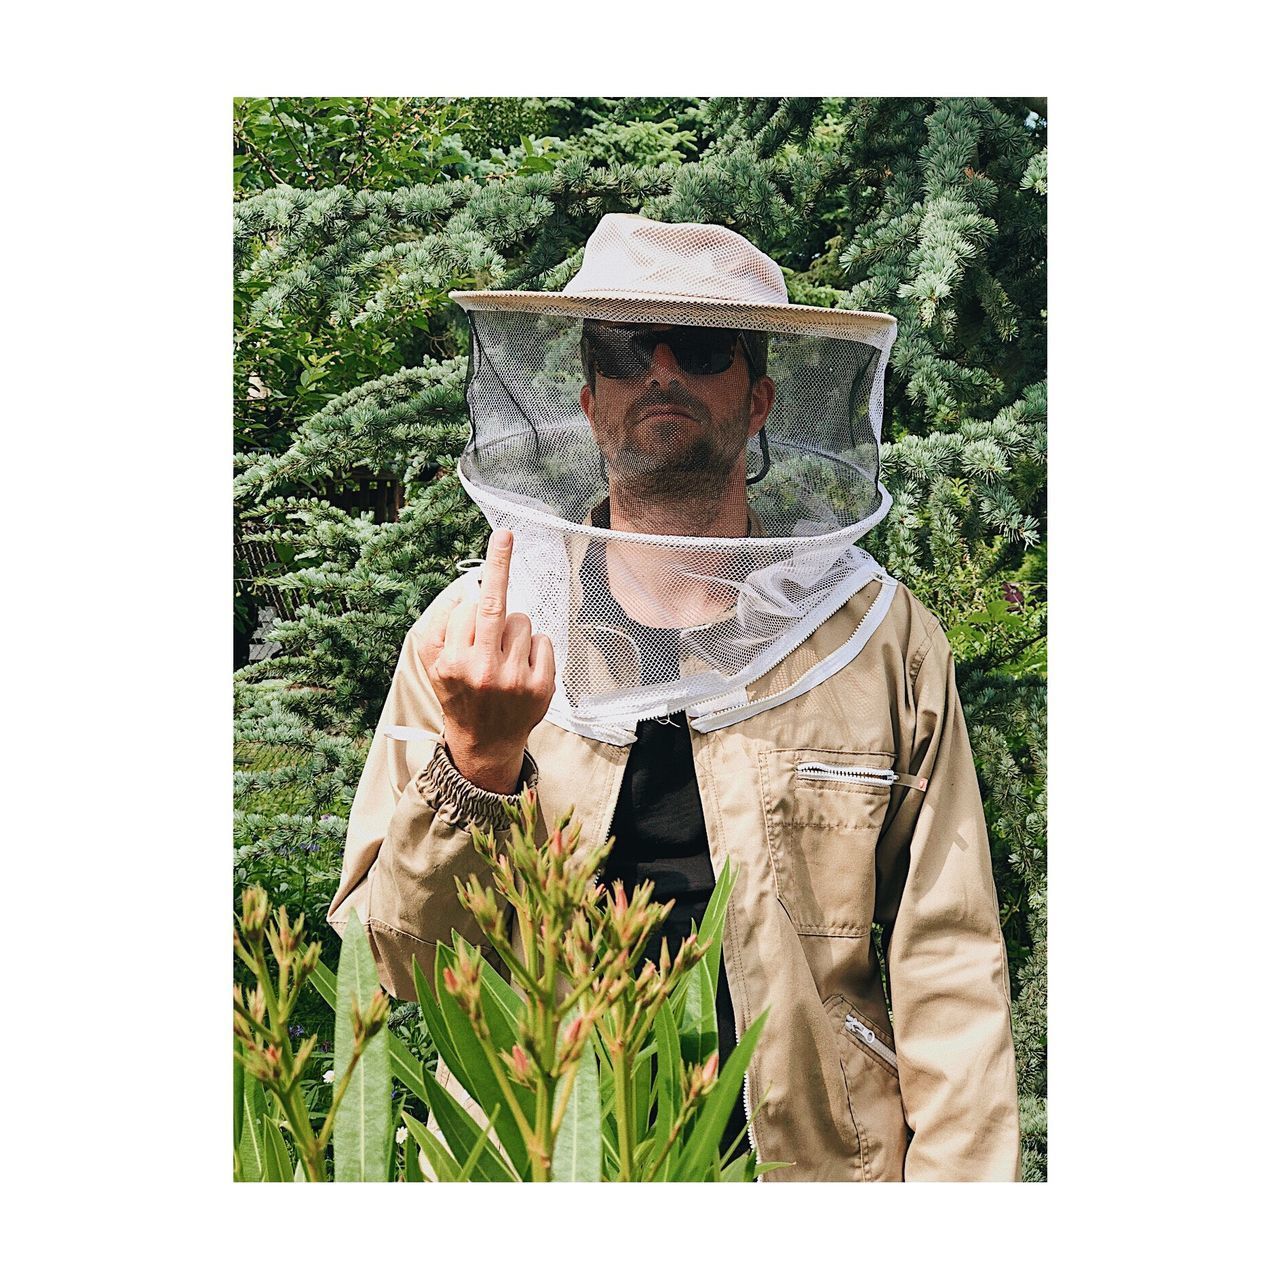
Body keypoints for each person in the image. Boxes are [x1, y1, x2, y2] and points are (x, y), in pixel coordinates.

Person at [329, 213, 1021, 1181]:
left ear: (757, 397)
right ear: (586, 397)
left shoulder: (880, 641)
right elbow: (393, 961)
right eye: (623, 346)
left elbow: (949, 970)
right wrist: (476, 766)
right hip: (533, 1170)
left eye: (698, 345)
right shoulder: (470, 638)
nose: (660, 368)